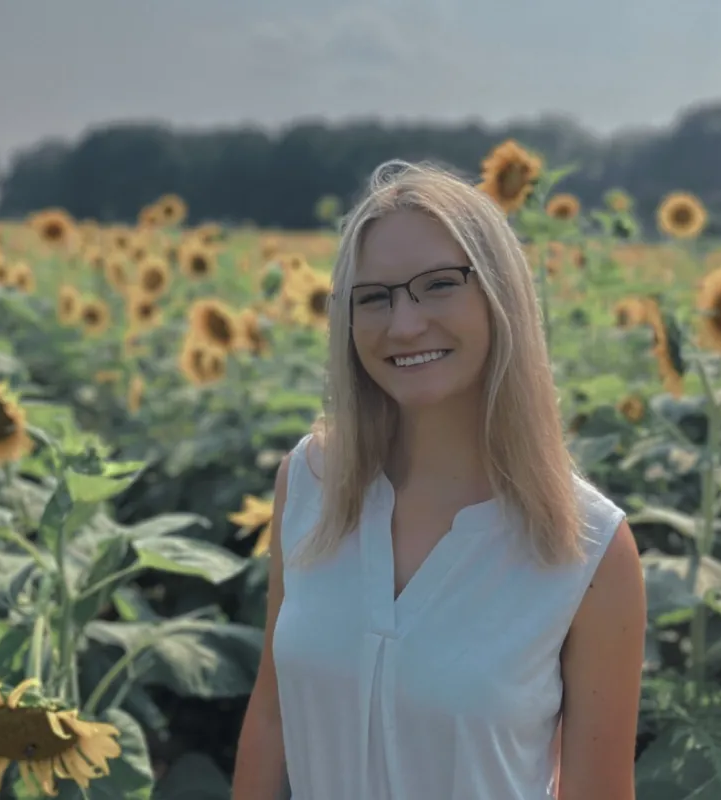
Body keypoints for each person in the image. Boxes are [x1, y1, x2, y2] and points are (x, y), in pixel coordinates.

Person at [232, 160, 646, 800]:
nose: (403, 324)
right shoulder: (309, 482)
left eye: (437, 285)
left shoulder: (588, 548)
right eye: (374, 296)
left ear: (499, 294)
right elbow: (273, 715)